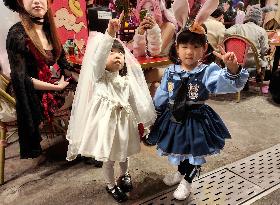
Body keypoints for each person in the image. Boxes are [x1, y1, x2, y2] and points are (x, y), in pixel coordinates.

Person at [145, 24, 249, 200]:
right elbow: (163, 93)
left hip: (196, 119)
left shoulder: (207, 71)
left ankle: (187, 181)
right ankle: (180, 174)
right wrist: (154, 114)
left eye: (195, 47)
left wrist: (231, 69)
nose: (189, 52)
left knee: (195, 152)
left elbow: (226, 84)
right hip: (174, 118)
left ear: (204, 49)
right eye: (184, 46)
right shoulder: (171, 71)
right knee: (179, 148)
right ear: (177, 48)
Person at [66, 13, 156, 203]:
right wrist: (109, 34)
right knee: (109, 158)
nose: (117, 56)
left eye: (121, 54)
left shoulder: (126, 80)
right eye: (112, 53)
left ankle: (125, 175)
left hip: (124, 124)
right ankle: (110, 185)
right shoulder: (100, 79)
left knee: (124, 154)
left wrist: (143, 123)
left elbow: (134, 102)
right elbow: (97, 60)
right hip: (106, 127)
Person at [4, 0, 78, 159]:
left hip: (48, 83)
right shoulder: (17, 34)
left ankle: (89, 141)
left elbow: (64, 62)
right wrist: (57, 87)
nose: (37, 1)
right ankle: (80, 141)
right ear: (20, 2)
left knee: (90, 89)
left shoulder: (49, 29)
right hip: (27, 89)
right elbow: (22, 78)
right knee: (80, 96)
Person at [133, 0, 177, 96]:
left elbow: (156, 52)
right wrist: (140, 34)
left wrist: (153, 30)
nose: (148, 13)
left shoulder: (169, 26)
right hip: (148, 67)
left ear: (160, 9)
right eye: (144, 10)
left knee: (138, 78)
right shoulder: (143, 28)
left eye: (152, 9)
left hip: (165, 67)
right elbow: (138, 53)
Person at [225, 4, 269, 79]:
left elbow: (225, 34)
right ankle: (259, 78)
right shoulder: (261, 31)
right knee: (264, 58)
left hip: (235, 61)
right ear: (260, 18)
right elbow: (265, 50)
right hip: (253, 63)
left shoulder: (237, 27)